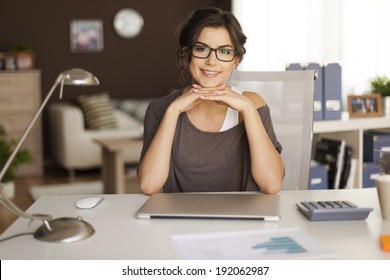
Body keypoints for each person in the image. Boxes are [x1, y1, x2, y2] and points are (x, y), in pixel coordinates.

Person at [137, 7, 284, 195]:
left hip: (242, 219)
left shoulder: (252, 103)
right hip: (179, 220)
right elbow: (149, 185)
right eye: (201, 49)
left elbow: (271, 184)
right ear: (187, 54)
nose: (211, 61)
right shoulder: (161, 109)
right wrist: (173, 112)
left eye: (224, 52)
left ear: (235, 61)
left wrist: (247, 109)